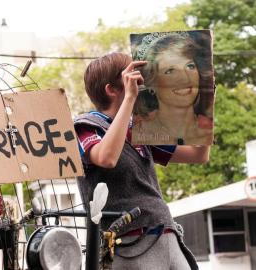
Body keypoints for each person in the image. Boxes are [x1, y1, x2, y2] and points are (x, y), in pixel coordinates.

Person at [74, 52, 211, 269]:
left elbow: (198, 155)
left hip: (165, 233)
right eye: (132, 75)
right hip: (129, 243)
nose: (141, 80)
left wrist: (205, 105)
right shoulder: (85, 125)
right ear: (111, 89)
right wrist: (129, 98)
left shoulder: (139, 128)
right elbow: (106, 157)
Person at [130, 31, 214, 145]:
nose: (185, 78)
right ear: (151, 82)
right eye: (170, 71)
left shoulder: (211, 129)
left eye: (190, 66)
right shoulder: (138, 133)